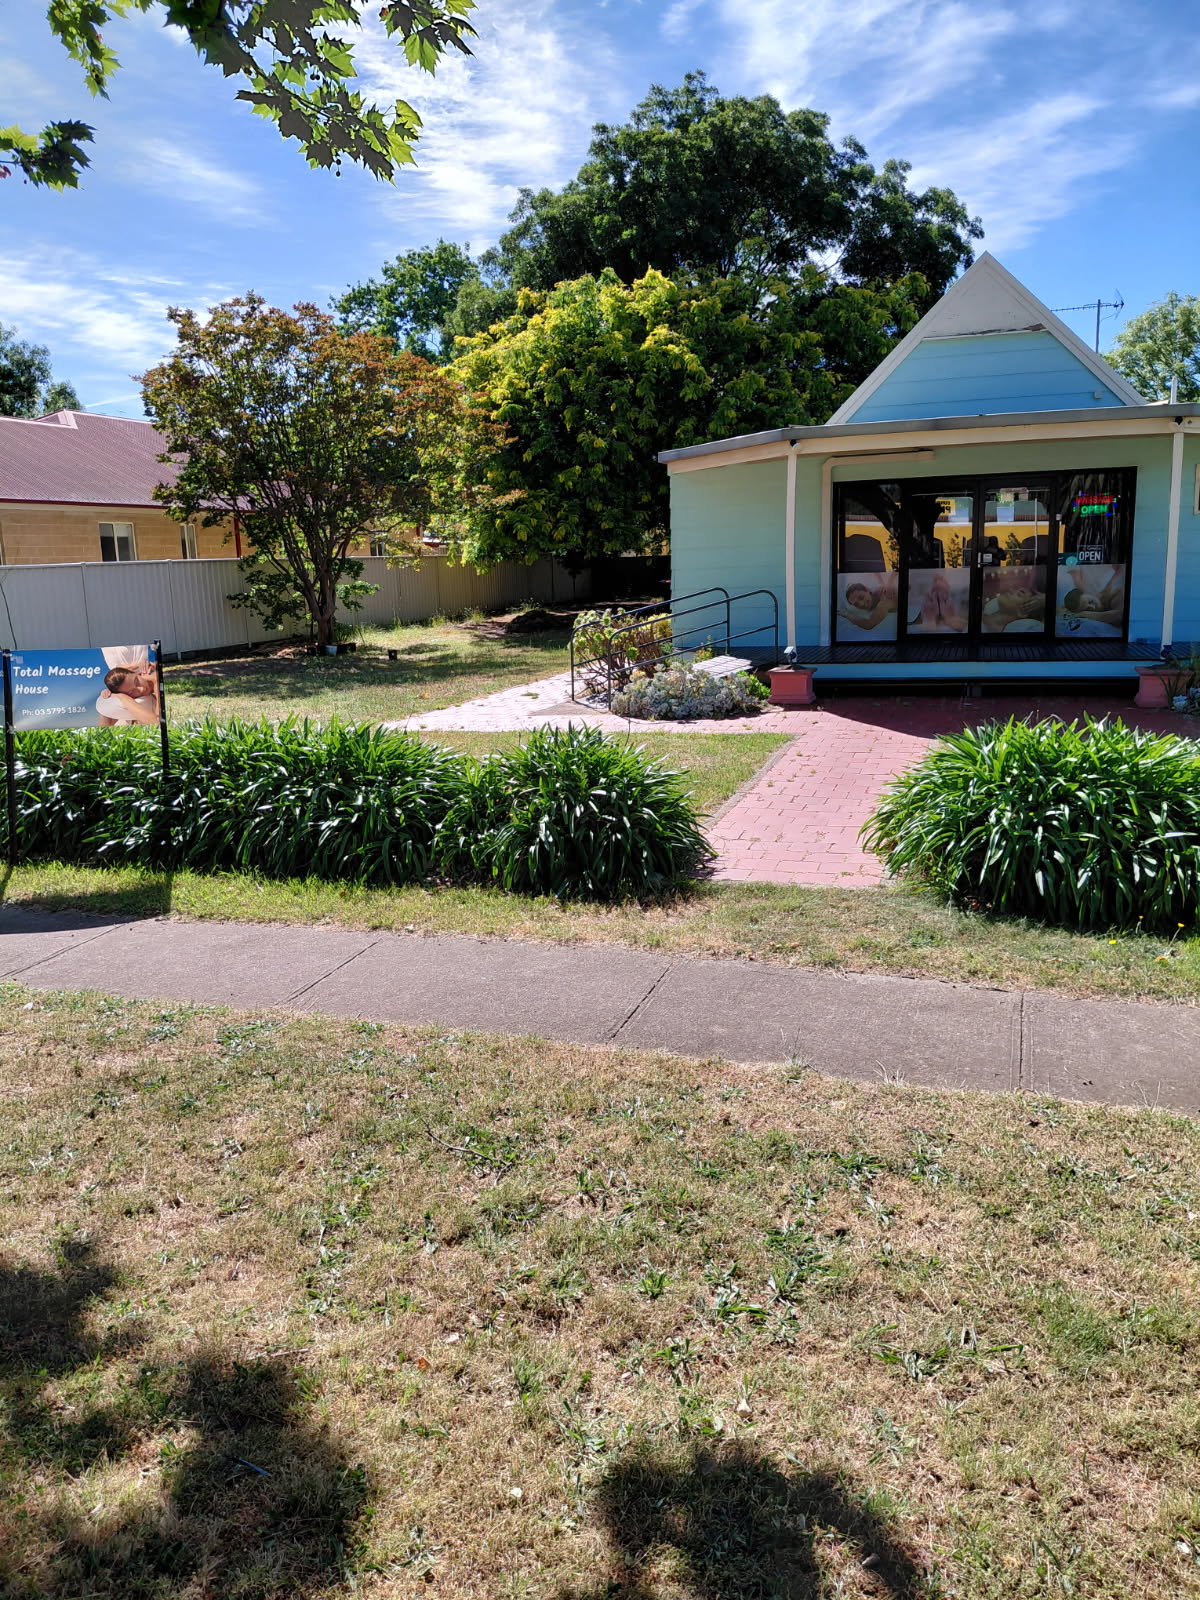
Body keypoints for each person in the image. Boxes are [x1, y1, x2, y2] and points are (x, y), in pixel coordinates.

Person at [96, 665, 160, 727]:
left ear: (137, 673)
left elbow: (158, 722)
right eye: (132, 692)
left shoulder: (157, 675)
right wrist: (120, 697)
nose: (141, 689)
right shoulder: (129, 700)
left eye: (137, 681)